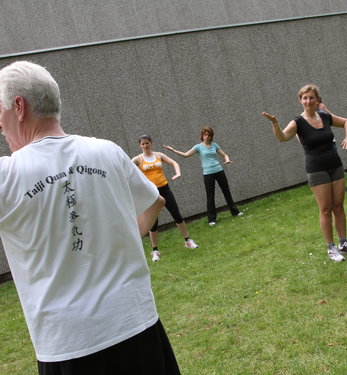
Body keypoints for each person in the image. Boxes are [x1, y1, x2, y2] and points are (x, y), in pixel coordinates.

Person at [0, 61, 181, 374]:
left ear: (19, 107)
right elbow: (155, 201)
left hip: (71, 347)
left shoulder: (7, 176)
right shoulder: (106, 151)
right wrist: (126, 232)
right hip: (138, 328)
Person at [261, 84, 347, 262]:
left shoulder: (324, 116)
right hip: (317, 170)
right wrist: (275, 124)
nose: (308, 101)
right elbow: (282, 137)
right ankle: (331, 248)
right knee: (325, 209)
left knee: (338, 206)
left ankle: (343, 243)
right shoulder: (297, 122)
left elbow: (346, 122)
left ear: (316, 100)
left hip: (335, 165)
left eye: (311, 97)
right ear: (300, 101)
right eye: (304, 98)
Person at [132, 135, 198, 261]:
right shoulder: (138, 159)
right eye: (143, 144)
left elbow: (174, 163)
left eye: (147, 143)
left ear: (151, 143)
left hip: (164, 189)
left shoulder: (159, 155)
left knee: (177, 215)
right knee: (153, 223)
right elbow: (126, 169)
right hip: (151, 193)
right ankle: (155, 251)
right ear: (140, 145)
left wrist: (177, 173)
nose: (145, 145)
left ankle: (188, 241)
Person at [163, 126, 243, 226]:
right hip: (208, 174)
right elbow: (185, 155)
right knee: (210, 196)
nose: (207, 136)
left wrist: (226, 159)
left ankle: (235, 212)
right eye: (205, 134)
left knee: (226, 192)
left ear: (211, 136)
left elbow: (224, 154)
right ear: (202, 135)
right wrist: (173, 150)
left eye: (209, 135)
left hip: (219, 171)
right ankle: (212, 220)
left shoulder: (214, 145)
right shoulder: (198, 147)